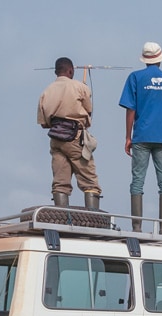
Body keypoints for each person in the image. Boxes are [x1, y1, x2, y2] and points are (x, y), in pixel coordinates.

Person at [119, 42, 162, 233]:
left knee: (137, 180)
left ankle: (137, 227)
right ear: (160, 59)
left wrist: (127, 136)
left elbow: (130, 109)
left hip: (141, 136)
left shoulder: (135, 78)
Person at [37, 57, 102, 210]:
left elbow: (44, 123)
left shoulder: (46, 92)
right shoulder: (80, 87)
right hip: (75, 138)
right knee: (89, 180)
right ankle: (93, 219)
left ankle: (61, 219)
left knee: (60, 181)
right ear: (71, 71)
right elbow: (88, 111)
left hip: (56, 139)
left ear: (55, 72)